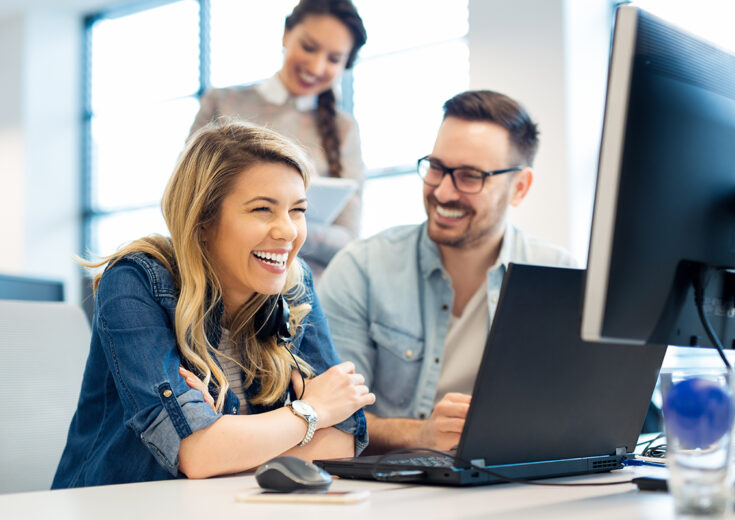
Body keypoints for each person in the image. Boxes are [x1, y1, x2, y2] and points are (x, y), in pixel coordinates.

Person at [52, 121, 374, 488]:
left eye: (297, 210)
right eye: (262, 210)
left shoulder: (293, 285)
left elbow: (343, 440)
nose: (287, 231)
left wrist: (226, 437)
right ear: (203, 219)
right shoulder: (135, 281)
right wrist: (311, 410)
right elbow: (198, 454)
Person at [317, 90, 577, 453]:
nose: (442, 191)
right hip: (394, 493)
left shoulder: (561, 278)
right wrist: (420, 434)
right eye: (436, 168)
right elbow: (332, 417)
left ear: (519, 187)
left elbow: (582, 415)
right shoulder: (361, 269)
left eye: (470, 176)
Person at [189, 0, 367, 275]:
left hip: (305, 294)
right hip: (220, 281)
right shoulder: (221, 103)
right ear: (286, 33)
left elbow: (348, 238)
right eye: (308, 47)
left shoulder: (344, 130)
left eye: (333, 59)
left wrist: (276, 227)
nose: (317, 66)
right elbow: (188, 201)